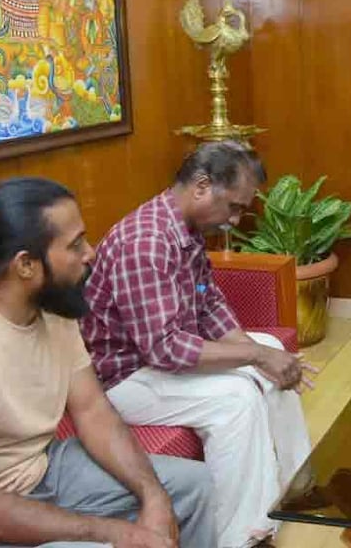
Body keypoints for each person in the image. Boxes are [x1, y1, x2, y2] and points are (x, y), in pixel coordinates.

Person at [0, 178, 215, 548]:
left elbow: (93, 410)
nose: (90, 253)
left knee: (192, 487)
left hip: (36, 471)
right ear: (26, 265)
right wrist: (114, 532)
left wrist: (154, 498)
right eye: (75, 244)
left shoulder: (52, 307)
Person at [80, 141, 318, 548]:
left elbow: (208, 303)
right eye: (235, 207)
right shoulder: (146, 242)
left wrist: (261, 354)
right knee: (236, 397)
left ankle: (297, 486)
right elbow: (165, 349)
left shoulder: (185, 229)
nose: (236, 220)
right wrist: (256, 356)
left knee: (268, 356)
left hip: (159, 358)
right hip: (124, 377)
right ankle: (242, 536)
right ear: (202, 186)